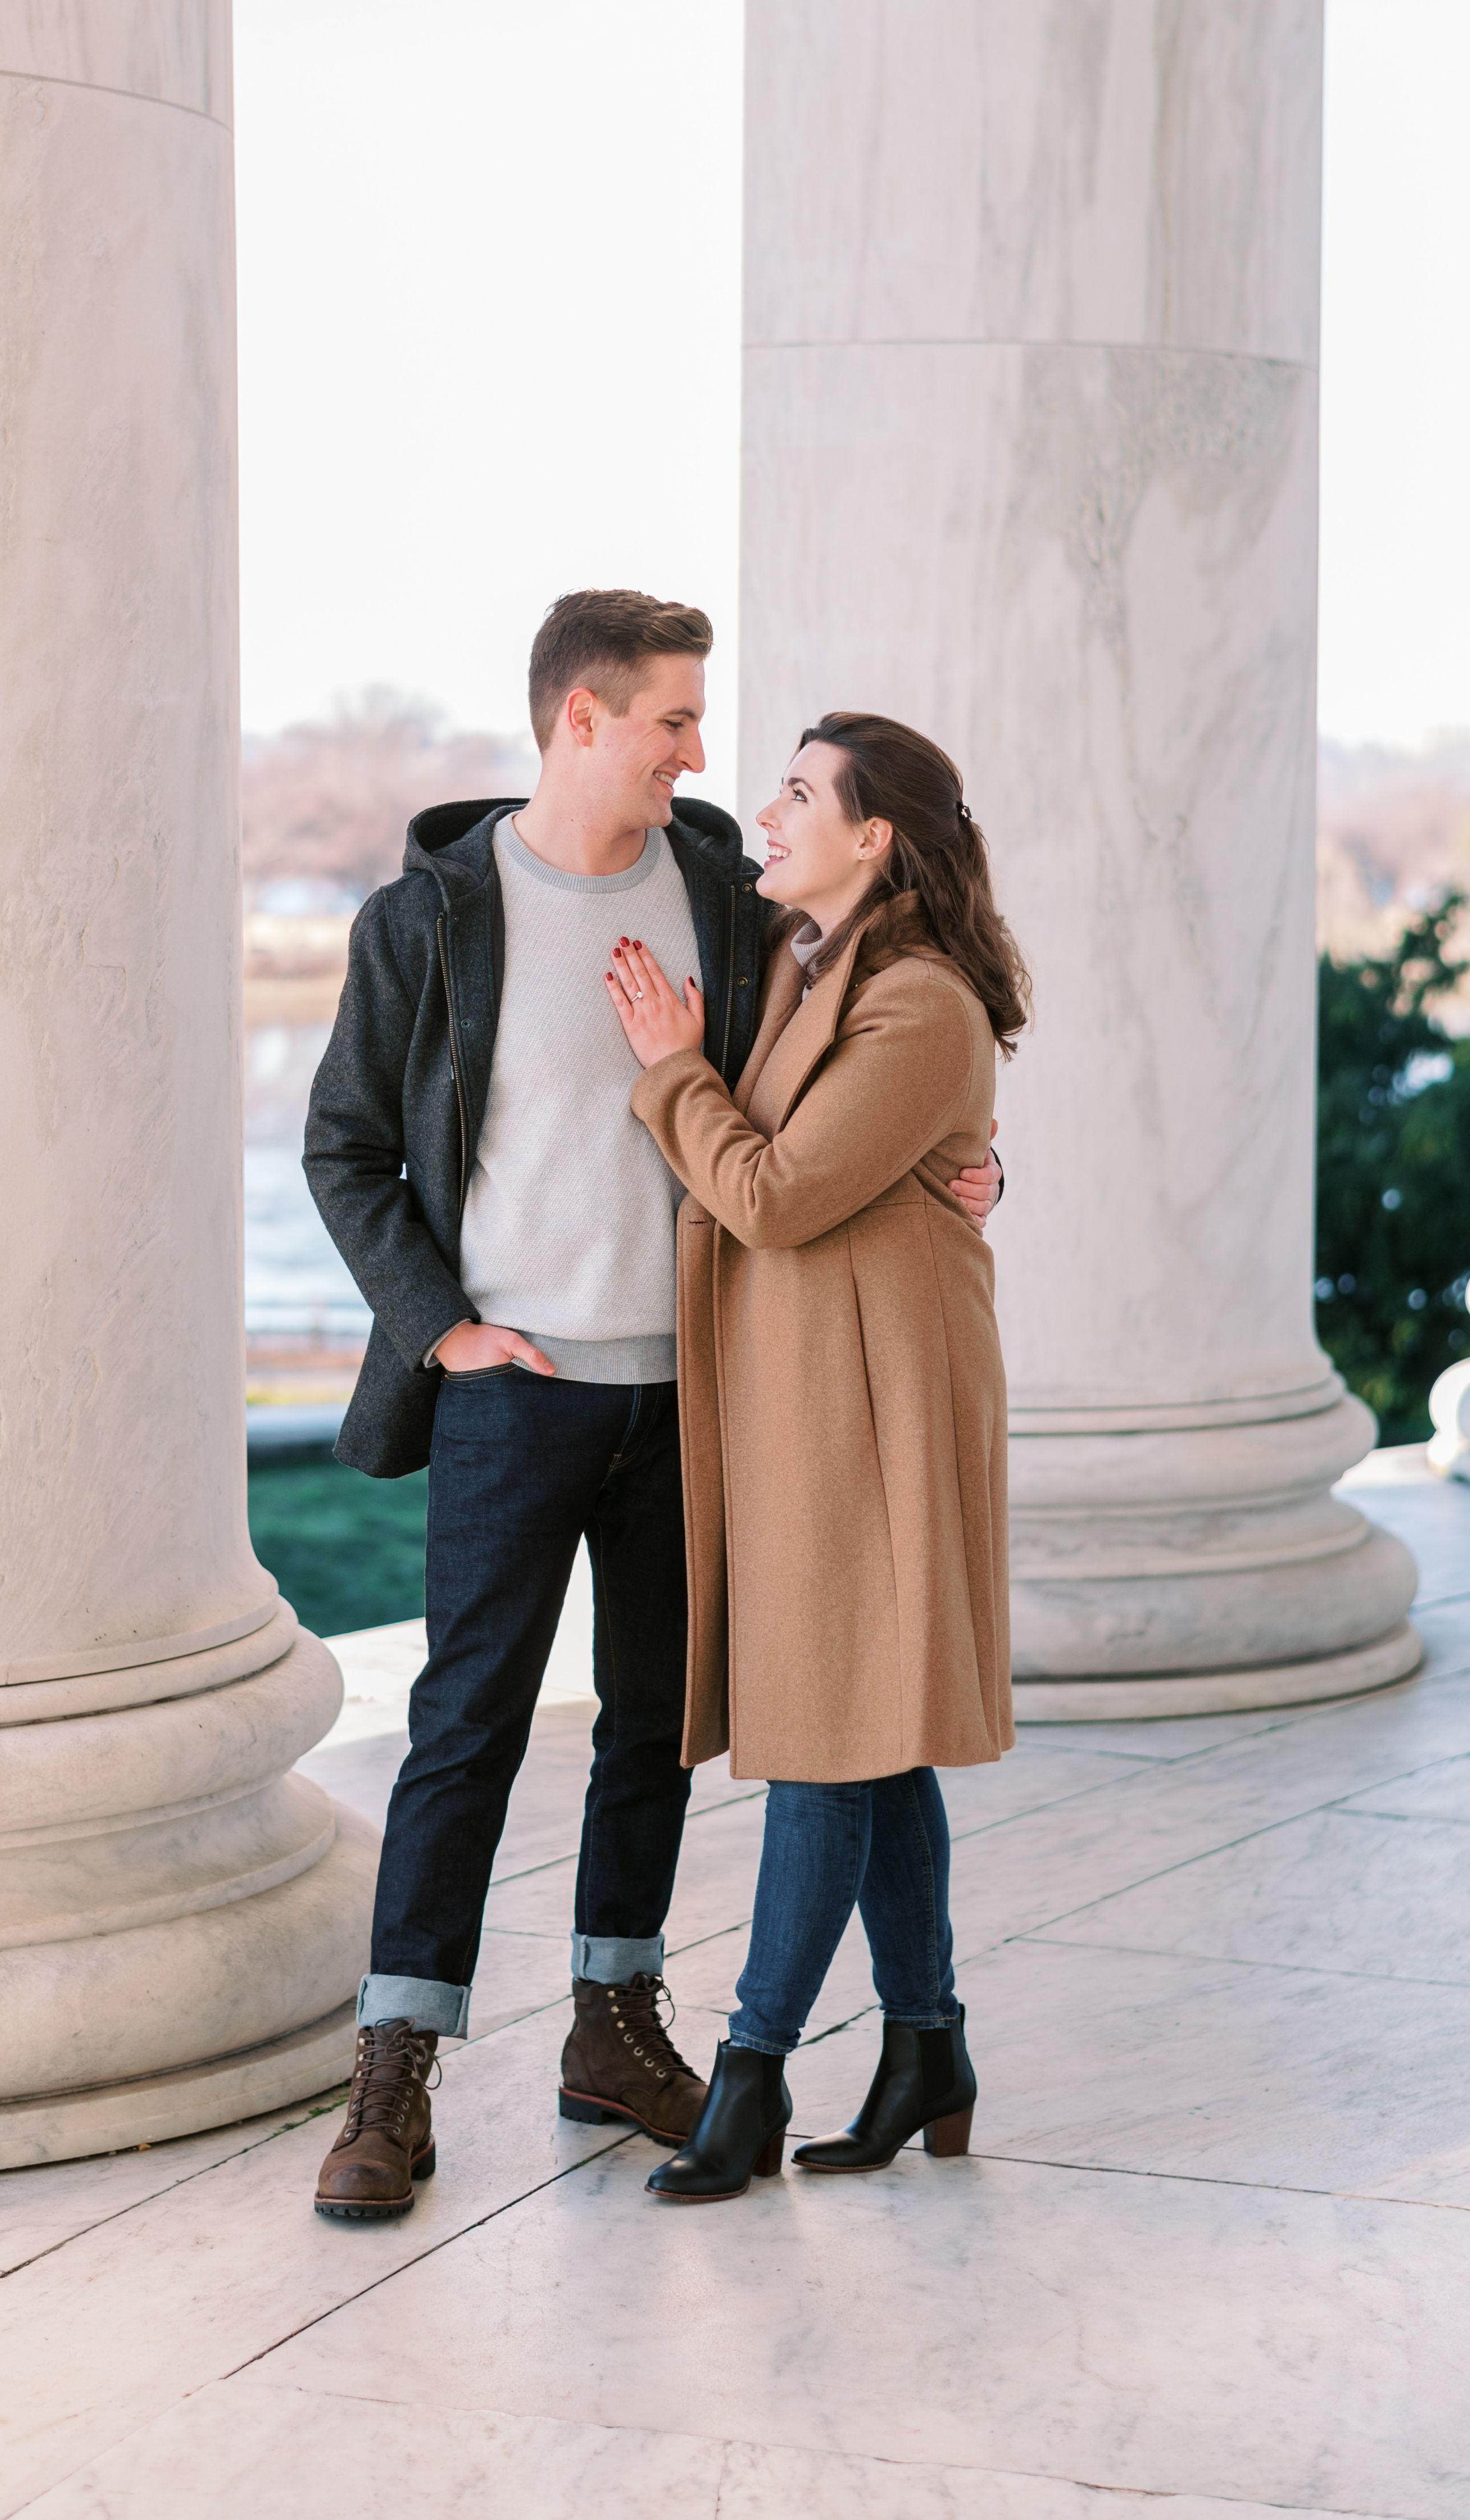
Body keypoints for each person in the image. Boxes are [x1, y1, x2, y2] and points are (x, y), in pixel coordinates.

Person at [300, 601, 1000, 2224]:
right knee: (463, 1726)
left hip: (699, 1394)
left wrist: (966, 1163)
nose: (699, 752)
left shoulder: (727, 894)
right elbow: (346, 1148)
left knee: (650, 1731)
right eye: (674, 720)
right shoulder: (431, 915)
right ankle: (394, 2067)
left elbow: (849, 1081)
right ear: (583, 719)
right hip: (516, 1387)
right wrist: (443, 1329)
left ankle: (613, 2027)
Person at [603, 711, 1027, 2202]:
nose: (765, 813)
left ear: (874, 836)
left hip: (875, 1410)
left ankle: (752, 2075)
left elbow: (777, 1193)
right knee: (872, 1732)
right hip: (816, 1395)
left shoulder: (918, 1001)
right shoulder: (806, 961)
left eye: (797, 793)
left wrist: (671, 1070)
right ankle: (927, 2048)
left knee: (829, 1739)